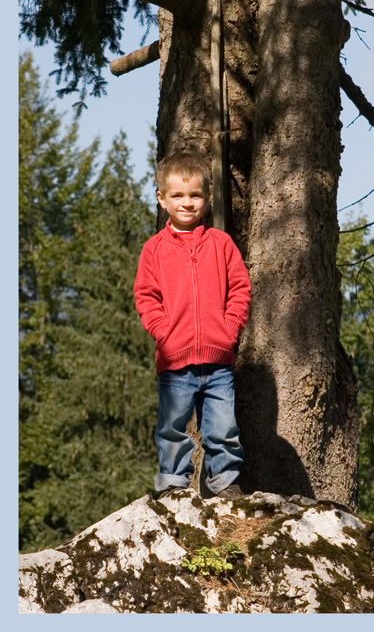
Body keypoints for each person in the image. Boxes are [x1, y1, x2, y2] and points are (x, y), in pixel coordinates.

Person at [134, 151, 251, 500]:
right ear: (162, 198)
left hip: (218, 362)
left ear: (208, 197)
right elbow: (146, 296)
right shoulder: (153, 250)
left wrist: (229, 330)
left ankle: (224, 482)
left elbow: (240, 289)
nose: (187, 203)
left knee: (223, 428)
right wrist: (163, 334)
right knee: (172, 429)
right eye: (178, 195)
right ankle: (172, 486)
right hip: (174, 363)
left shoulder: (221, 244)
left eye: (195, 195)